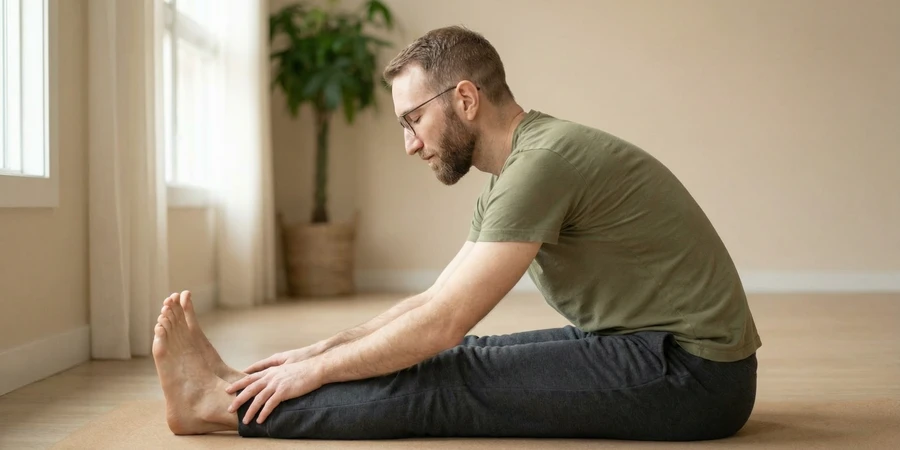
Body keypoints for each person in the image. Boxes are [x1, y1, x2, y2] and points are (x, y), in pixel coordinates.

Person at [152, 25, 762, 441]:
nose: (410, 142)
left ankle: (222, 412)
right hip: (658, 351)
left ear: (465, 98)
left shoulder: (542, 165)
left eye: (414, 119)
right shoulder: (515, 168)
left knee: (451, 380)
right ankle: (238, 390)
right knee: (456, 359)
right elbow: (431, 303)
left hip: (696, 377)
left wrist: (321, 374)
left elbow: (444, 324)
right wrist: (318, 352)